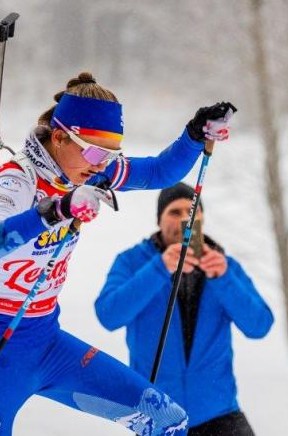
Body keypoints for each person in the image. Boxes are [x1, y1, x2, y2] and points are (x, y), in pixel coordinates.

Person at [0, 71, 236, 435]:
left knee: (165, 419)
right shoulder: (14, 180)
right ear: (59, 137)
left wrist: (195, 134)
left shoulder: (88, 172)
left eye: (111, 154)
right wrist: (57, 210)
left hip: (45, 341)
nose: (102, 164)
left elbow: (160, 172)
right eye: (96, 152)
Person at [95, 182, 274, 436]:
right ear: (160, 220)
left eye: (192, 212)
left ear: (201, 217)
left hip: (220, 414)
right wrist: (159, 269)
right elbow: (108, 315)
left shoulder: (223, 265)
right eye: (174, 212)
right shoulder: (133, 261)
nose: (184, 219)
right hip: (159, 417)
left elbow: (259, 326)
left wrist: (224, 279)